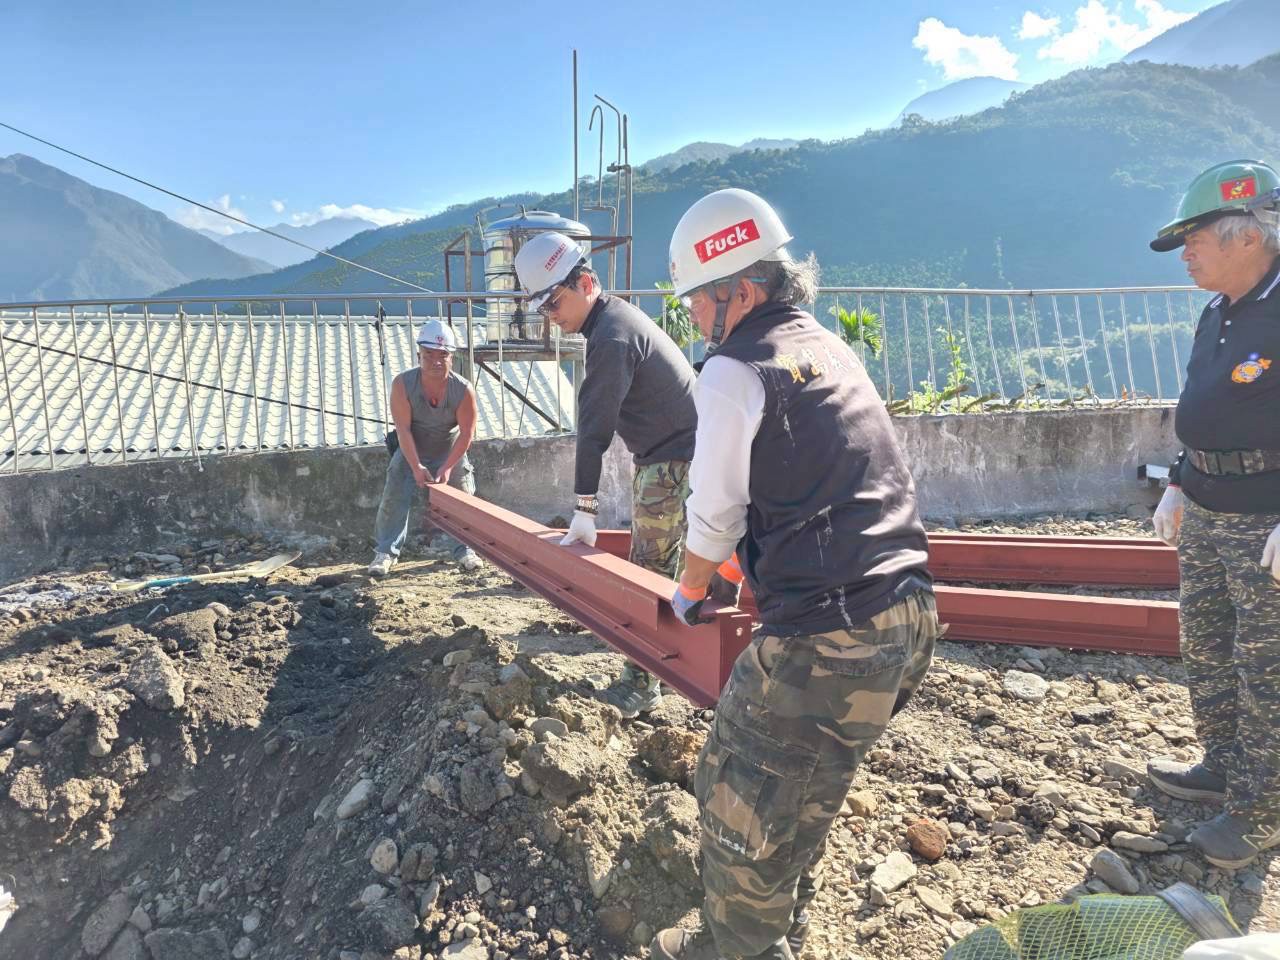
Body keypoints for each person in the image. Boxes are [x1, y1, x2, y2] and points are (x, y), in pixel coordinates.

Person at [652, 188, 940, 960]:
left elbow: (713, 512)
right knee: (804, 781)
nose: (693, 317)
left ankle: (739, 947)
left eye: (697, 299)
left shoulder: (733, 369)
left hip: (829, 631)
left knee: (736, 793)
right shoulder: (826, 347)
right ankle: (779, 922)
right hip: (908, 612)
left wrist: (691, 588)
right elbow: (809, 481)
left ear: (739, 291)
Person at [1146, 159, 1280, 870]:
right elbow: (1208, 406)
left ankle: (1264, 811)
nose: (1186, 255)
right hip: (1204, 502)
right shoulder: (1220, 309)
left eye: (1195, 239)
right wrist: (1179, 478)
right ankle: (1225, 766)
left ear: (1248, 235)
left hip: (1264, 517)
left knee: (1268, 667)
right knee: (1207, 644)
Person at [514, 233, 699, 718]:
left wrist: (584, 508)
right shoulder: (614, 321)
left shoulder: (612, 337)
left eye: (554, 302)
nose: (551, 316)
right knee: (693, 563)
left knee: (649, 573)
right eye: (542, 308)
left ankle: (642, 684)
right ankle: (702, 663)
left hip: (673, 462)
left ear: (585, 283)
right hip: (687, 455)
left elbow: (594, 429)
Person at [369, 319, 482, 576]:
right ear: (419, 354)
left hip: (450, 450)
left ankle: (466, 550)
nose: (435, 361)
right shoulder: (402, 384)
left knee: (464, 496)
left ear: (451, 357)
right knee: (395, 490)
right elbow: (403, 429)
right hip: (412, 449)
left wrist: (448, 467)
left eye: (443, 355)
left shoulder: (463, 390)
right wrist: (415, 465)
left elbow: (467, 433)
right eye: (429, 354)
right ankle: (386, 552)